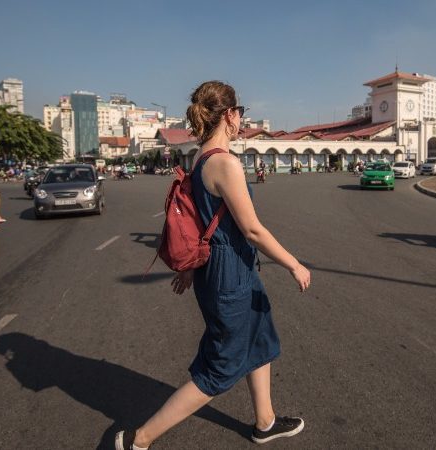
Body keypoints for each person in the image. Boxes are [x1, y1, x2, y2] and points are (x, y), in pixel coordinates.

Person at [115, 81, 311, 450]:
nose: (241, 121)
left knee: (260, 338)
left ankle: (265, 422)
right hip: (229, 273)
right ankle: (138, 440)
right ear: (231, 115)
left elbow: (198, 220)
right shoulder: (225, 163)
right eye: (241, 114)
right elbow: (252, 229)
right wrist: (294, 264)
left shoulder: (200, 158)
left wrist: (190, 267)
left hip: (222, 267)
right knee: (219, 366)